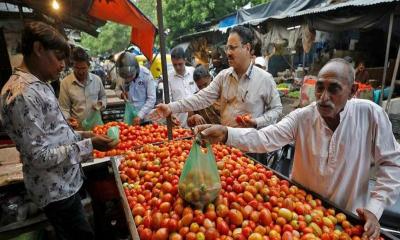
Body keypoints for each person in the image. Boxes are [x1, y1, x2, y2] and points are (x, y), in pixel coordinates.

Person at [195, 58, 400, 240]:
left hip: (349, 221)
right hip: (302, 212)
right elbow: (265, 137)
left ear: (353, 91)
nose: (323, 97)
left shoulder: (371, 115)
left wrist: (375, 208)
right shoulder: (303, 117)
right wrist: (226, 133)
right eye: (319, 88)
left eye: (334, 89)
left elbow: (391, 163)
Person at [0, 21, 118, 240]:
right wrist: (88, 145)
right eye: (58, 57)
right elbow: (39, 156)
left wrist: (86, 135)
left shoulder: (39, 84)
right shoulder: (22, 95)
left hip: (64, 183)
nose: (63, 65)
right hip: (55, 190)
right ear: (38, 49)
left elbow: (54, 133)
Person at [152, 25, 282, 129]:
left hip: (254, 147)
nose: (228, 53)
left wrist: (257, 122)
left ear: (247, 48)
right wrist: (170, 107)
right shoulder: (223, 76)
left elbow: (276, 110)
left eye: (232, 48)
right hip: (227, 147)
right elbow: (201, 98)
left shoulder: (265, 79)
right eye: (227, 48)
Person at [59, 47, 107, 129]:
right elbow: (64, 108)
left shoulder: (97, 80)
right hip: (78, 130)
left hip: (98, 129)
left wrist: (101, 104)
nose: (81, 72)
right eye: (77, 68)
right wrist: (68, 119)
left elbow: (103, 96)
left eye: (83, 68)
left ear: (89, 66)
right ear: (73, 66)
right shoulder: (65, 83)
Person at [115, 51, 156, 125]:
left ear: (136, 70)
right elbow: (117, 89)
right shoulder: (122, 75)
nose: (128, 79)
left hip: (145, 116)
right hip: (129, 114)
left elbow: (151, 99)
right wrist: (121, 95)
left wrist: (140, 115)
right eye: (125, 78)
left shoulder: (146, 75)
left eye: (130, 77)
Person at [167, 46, 198, 127]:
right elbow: (167, 100)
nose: (177, 67)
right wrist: (170, 114)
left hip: (196, 118)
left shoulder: (193, 72)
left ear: (185, 60)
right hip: (179, 122)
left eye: (180, 64)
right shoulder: (168, 77)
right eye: (175, 65)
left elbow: (200, 92)